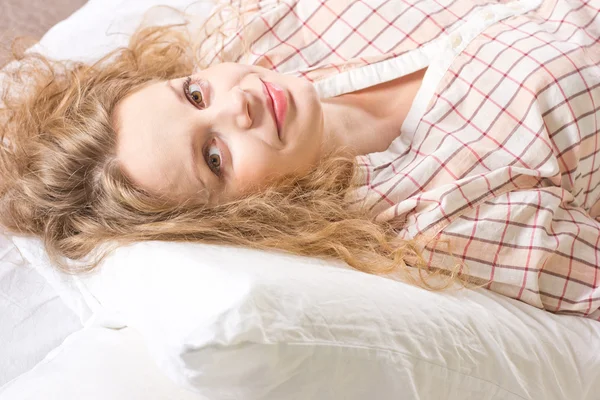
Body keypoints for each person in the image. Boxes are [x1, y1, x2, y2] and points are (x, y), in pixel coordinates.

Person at [1, 0, 599, 319]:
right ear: (236, 221)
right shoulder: (446, 219)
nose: (238, 104)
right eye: (213, 156)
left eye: (193, 93)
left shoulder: (263, 24)